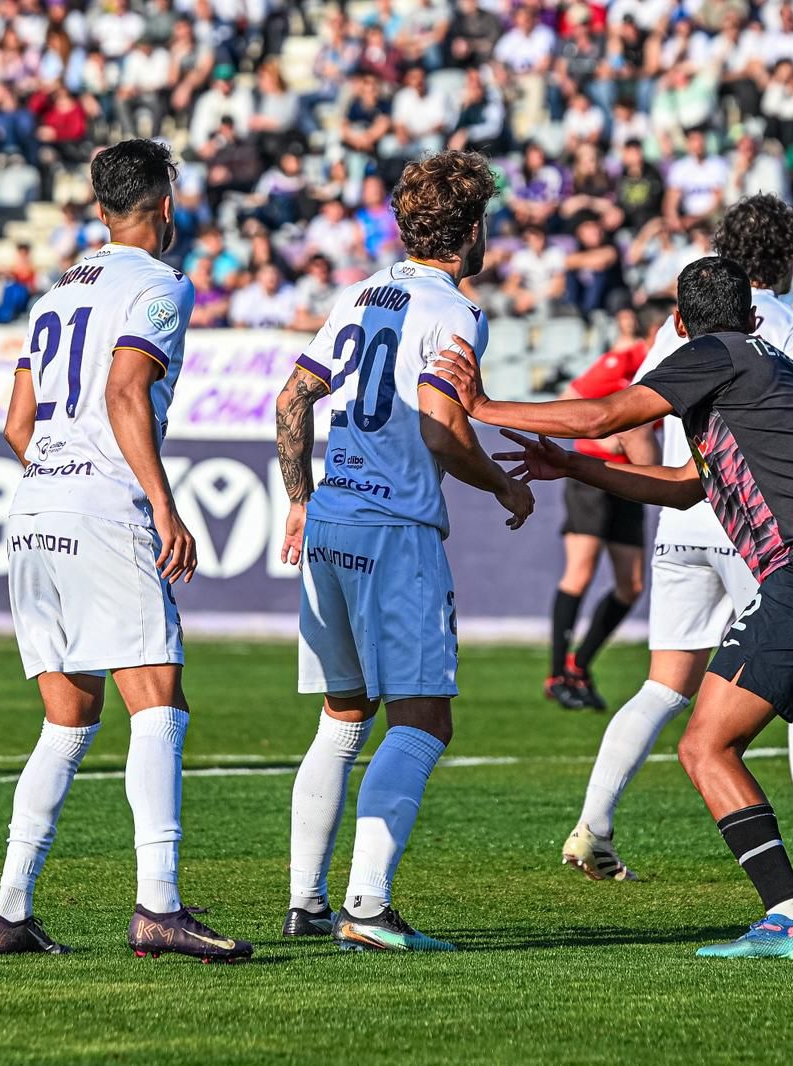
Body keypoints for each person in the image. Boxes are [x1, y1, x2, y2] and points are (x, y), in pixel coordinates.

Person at [433, 255, 793, 957]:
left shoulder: (715, 355)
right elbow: (681, 486)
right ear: (754, 314)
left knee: (706, 745)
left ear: (678, 323)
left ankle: (789, 917)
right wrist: (576, 466)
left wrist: (482, 406)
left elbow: (608, 411)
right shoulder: (775, 371)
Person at [552, 196, 793, 891]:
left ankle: (593, 825)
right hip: (751, 524)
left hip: (680, 519)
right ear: (787, 254)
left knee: (665, 685)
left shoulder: (675, 325)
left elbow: (639, 410)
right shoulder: (788, 327)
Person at [0, 139, 251, 962]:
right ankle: (159, 907)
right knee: (158, 699)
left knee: (68, 719)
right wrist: (161, 506)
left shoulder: (55, 290)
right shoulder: (163, 284)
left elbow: (16, 426)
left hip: (35, 509)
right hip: (104, 508)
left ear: (100, 209)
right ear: (166, 207)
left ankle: (11, 910)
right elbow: (124, 389)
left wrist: (62, 479)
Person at [272, 150, 533, 952]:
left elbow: (292, 399)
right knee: (424, 720)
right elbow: (439, 429)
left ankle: (307, 903)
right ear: (469, 232)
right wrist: (501, 485)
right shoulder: (454, 308)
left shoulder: (355, 294)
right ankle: (367, 906)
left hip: (332, 525)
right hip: (396, 533)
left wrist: (299, 500)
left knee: (344, 715)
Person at [544, 317, 658, 712]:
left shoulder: (669, 366)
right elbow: (570, 396)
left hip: (630, 478)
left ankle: (580, 664)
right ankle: (556, 673)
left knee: (633, 584)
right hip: (593, 475)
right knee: (581, 570)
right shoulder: (621, 362)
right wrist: (605, 435)